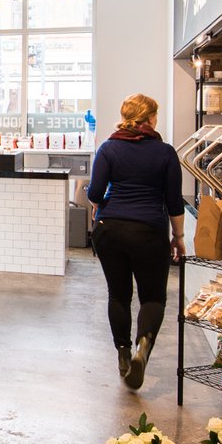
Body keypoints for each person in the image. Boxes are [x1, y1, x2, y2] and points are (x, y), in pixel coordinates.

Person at [87, 94, 186, 390]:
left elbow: (94, 193)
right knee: (152, 297)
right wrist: (178, 237)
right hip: (149, 232)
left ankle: (123, 352)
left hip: (109, 230)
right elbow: (174, 202)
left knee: (118, 295)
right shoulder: (165, 153)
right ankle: (143, 347)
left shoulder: (108, 148)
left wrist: (106, 203)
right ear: (152, 118)